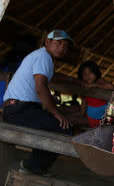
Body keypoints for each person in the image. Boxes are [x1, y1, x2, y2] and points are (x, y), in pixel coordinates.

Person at [2, 30, 74, 176]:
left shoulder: (40, 56)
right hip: (19, 110)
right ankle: (33, 166)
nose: (62, 48)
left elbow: (55, 77)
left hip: (15, 109)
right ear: (48, 42)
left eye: (65, 46)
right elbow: (41, 88)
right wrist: (56, 113)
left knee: (52, 124)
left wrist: (79, 82)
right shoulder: (44, 57)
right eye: (59, 43)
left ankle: (33, 164)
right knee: (64, 128)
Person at [76, 60, 114, 128]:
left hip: (101, 120)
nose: (88, 76)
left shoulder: (99, 81)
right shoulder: (84, 87)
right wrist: (79, 114)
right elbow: (83, 106)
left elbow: (111, 87)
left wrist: (94, 85)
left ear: (95, 73)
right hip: (90, 117)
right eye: (85, 74)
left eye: (90, 73)